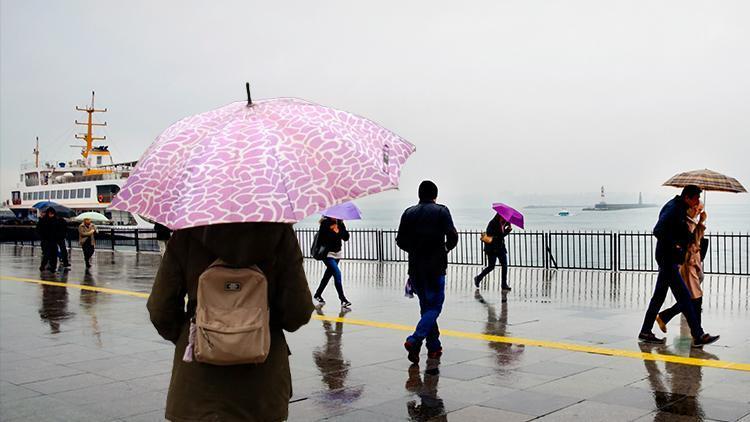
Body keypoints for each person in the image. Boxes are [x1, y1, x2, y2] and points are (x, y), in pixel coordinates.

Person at [147, 223, 314, 422]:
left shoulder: (186, 232)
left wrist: (196, 336)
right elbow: (298, 312)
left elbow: (160, 309)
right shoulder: (280, 233)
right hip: (262, 388)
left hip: (198, 390)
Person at [639, 185, 719, 347]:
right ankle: (698, 335)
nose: (698, 201)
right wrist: (675, 245)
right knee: (684, 296)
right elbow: (658, 230)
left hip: (669, 258)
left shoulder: (678, 207)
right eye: (696, 198)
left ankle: (645, 331)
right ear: (687, 197)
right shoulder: (674, 209)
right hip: (668, 258)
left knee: (659, 296)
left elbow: (681, 232)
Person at [397, 181, 458, 363]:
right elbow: (453, 235)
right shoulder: (441, 211)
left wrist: (415, 250)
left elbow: (400, 241)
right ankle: (414, 339)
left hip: (415, 268)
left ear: (419, 195)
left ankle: (433, 347)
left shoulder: (408, 213)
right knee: (435, 307)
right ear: (435, 195)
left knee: (426, 307)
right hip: (436, 267)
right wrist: (445, 248)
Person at [656, 202, 707, 331]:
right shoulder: (686, 222)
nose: (697, 210)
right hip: (688, 264)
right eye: (696, 208)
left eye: (700, 209)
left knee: (690, 297)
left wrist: (701, 223)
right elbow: (691, 241)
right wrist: (700, 223)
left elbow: (696, 240)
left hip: (693, 263)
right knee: (694, 298)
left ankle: (665, 316)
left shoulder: (692, 222)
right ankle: (698, 333)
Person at [313, 217, 352, 308]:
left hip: (337, 254)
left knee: (327, 276)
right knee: (337, 274)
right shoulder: (325, 224)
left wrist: (338, 230)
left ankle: (317, 294)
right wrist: (335, 231)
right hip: (327, 254)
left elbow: (346, 237)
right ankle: (343, 300)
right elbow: (325, 239)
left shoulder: (340, 223)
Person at [474, 214, 512, 291]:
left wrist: (507, 228)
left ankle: (504, 284)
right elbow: (491, 234)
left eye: (505, 217)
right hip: (492, 248)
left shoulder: (504, 223)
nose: (504, 218)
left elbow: (501, 236)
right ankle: (478, 278)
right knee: (491, 266)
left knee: (504, 265)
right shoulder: (492, 223)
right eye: (503, 217)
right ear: (499, 216)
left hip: (500, 248)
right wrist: (506, 231)